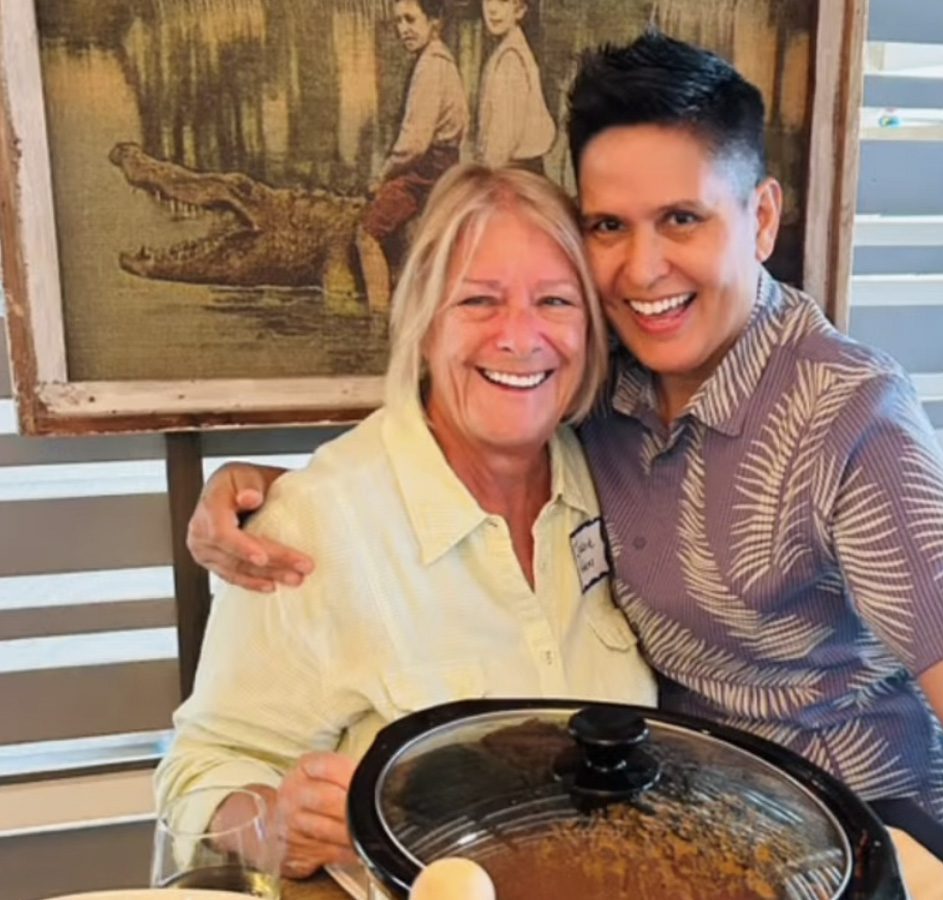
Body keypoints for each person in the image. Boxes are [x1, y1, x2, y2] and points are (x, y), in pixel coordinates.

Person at [188, 33, 943, 898]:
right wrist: (280, 495)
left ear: (761, 219)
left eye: (682, 220)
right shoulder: (603, 392)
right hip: (692, 858)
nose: (643, 270)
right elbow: (468, 421)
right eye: (609, 228)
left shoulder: (850, 421)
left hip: (874, 853)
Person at [158, 163, 657, 880]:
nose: (520, 337)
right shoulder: (318, 523)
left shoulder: (611, 471)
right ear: (423, 322)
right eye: (479, 301)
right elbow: (200, 767)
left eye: (554, 300)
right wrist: (279, 826)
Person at [357, 0, 468, 310]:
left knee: (367, 233)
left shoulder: (430, 66)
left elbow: (414, 143)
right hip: (444, 165)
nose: (403, 29)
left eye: (410, 20)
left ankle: (378, 315)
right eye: (398, 22)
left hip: (425, 171)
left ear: (434, 22)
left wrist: (382, 176)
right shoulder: (442, 60)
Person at [475, 0, 555, 171]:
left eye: (503, 1)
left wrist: (486, 176)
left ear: (520, 10)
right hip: (514, 168)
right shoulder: (507, 49)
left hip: (515, 171)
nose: (492, 9)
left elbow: (503, 141)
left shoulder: (511, 58)